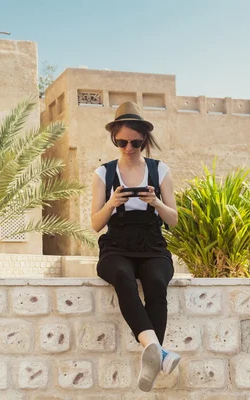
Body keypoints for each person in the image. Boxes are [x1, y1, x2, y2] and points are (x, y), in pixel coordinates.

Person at [90, 101, 180, 392]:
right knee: (123, 278)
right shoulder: (102, 174)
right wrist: (112, 203)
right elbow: (94, 224)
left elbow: (174, 220)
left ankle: (153, 356)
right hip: (116, 245)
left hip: (153, 244)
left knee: (156, 281)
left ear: (144, 140)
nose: (128, 148)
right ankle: (159, 352)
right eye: (122, 141)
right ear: (114, 137)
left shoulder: (159, 169)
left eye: (136, 142)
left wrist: (156, 202)